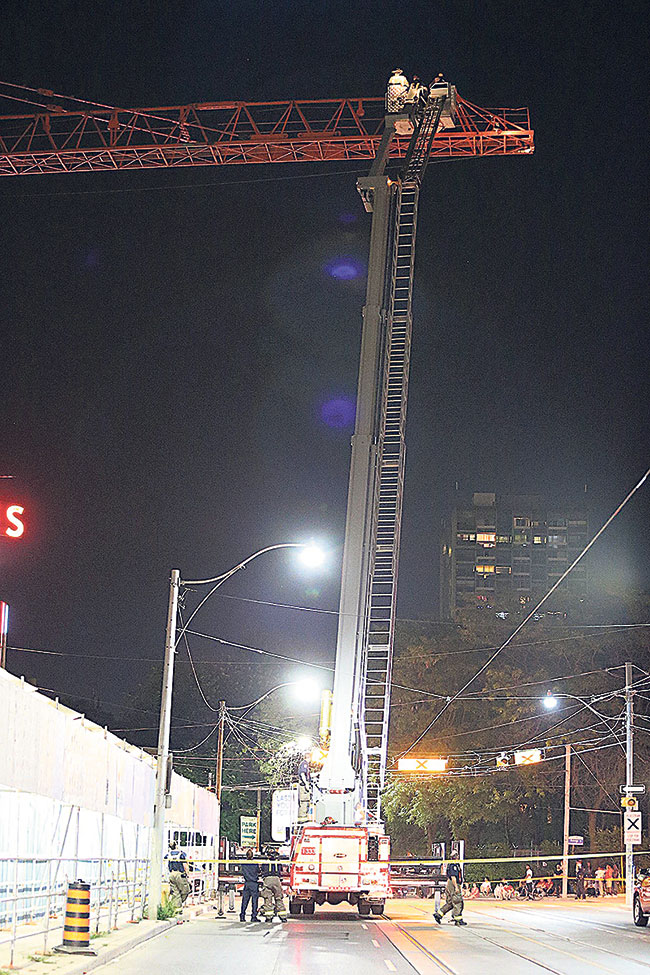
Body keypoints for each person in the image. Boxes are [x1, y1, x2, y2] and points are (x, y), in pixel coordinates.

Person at [434, 858, 466, 926]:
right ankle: (458, 920)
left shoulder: (453, 864)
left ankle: (438, 914)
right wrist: (456, 887)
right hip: (453, 884)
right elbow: (453, 877)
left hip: (450, 884)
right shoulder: (453, 865)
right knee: (458, 901)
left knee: (450, 903)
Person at [259, 850, 288, 923]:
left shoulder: (265, 862)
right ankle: (283, 917)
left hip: (267, 879)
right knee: (278, 898)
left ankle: (269, 917)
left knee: (268, 898)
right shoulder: (278, 862)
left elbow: (262, 870)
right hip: (276, 880)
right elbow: (281, 870)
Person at [165, 840, 191, 911]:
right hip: (180, 874)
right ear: (176, 845)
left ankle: (174, 907)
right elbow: (185, 865)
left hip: (171, 874)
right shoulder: (181, 854)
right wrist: (187, 874)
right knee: (185, 890)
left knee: (175, 892)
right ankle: (177, 906)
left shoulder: (168, 854)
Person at [240, 849, 261, 922]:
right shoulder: (255, 864)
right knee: (254, 901)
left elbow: (241, 871)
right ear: (252, 856)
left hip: (247, 883)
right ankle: (253, 916)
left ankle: (242, 916)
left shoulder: (243, 864)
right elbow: (258, 871)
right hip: (254, 883)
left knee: (245, 901)